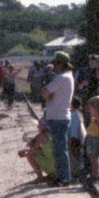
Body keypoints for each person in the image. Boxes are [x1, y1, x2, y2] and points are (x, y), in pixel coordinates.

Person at [41, 51, 74, 184]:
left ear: (61, 64)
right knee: (59, 149)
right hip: (59, 116)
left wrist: (49, 96)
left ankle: (64, 178)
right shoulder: (67, 77)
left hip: (58, 117)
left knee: (60, 149)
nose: (53, 66)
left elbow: (44, 91)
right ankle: (61, 176)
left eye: (55, 63)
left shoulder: (61, 78)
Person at [83, 96, 99, 183]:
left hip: (95, 138)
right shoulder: (93, 118)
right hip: (91, 138)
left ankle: (95, 175)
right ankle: (93, 174)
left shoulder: (97, 117)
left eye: (90, 108)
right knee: (92, 158)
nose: (88, 110)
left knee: (94, 157)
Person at [67, 96, 85, 179]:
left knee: (73, 156)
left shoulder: (72, 116)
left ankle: (75, 173)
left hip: (73, 138)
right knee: (75, 156)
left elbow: (76, 129)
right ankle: (75, 172)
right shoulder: (76, 115)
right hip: (75, 138)